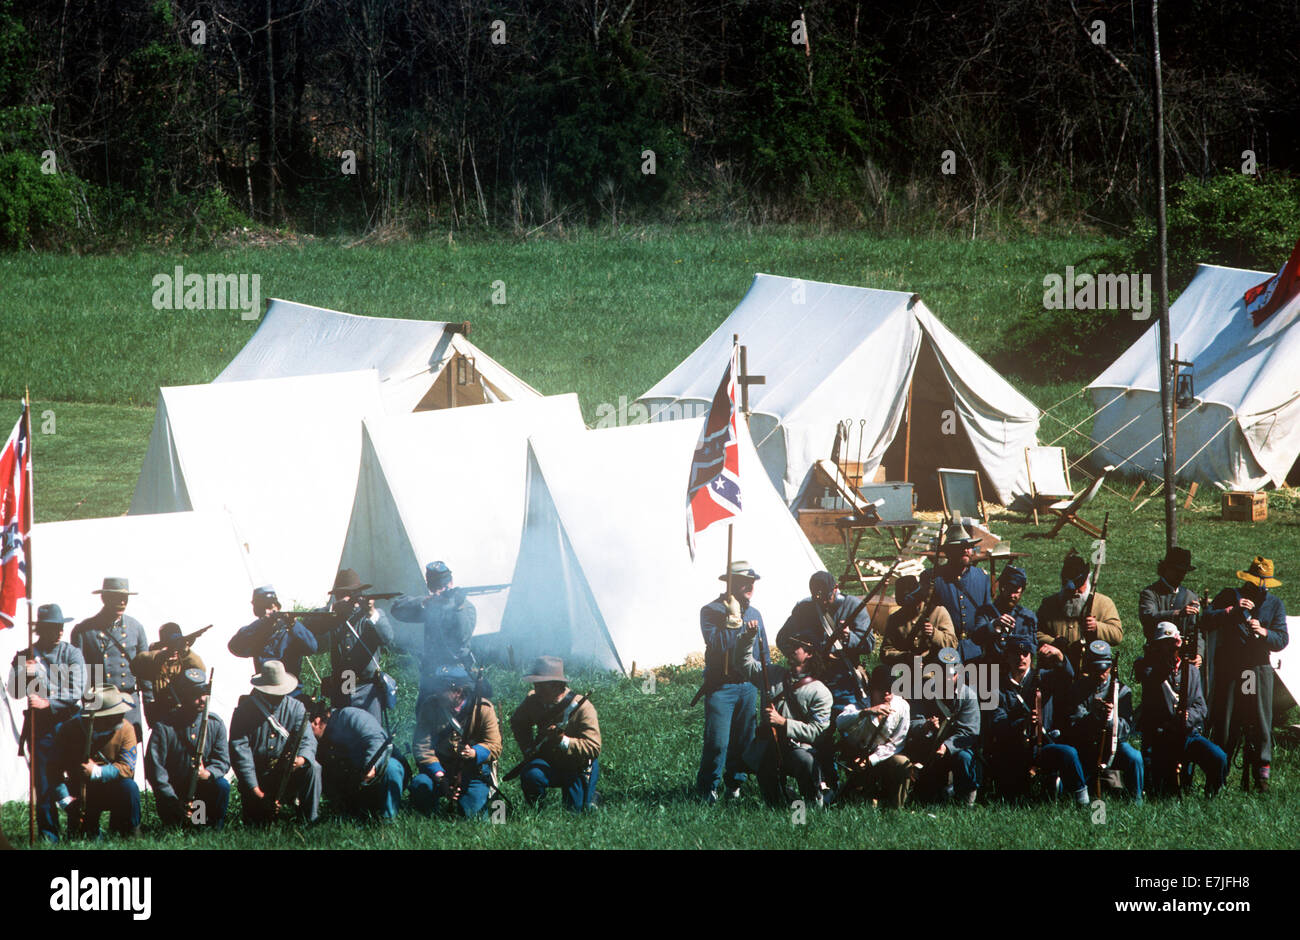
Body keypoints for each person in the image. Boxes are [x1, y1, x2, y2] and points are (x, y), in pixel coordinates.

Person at [776, 570, 874, 792]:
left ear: (835, 588)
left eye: (826, 595)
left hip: (846, 680)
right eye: (817, 596)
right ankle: (825, 782)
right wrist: (809, 656)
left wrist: (851, 638)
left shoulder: (853, 606)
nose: (822, 600)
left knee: (854, 730)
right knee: (820, 735)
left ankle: (858, 784)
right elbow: (783, 639)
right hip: (816, 682)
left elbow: (869, 644)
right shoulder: (804, 609)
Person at [1201, 557, 1289, 792]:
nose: (1259, 588)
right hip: (1231, 668)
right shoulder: (1229, 595)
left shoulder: (1275, 605)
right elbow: (1206, 619)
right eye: (1254, 583)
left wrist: (1263, 632)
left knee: (1261, 721)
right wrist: (1229, 612)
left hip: (1258, 669)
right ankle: (1219, 774)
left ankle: (1261, 776)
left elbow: (1282, 639)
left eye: (1263, 584)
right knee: (1226, 721)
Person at [5, 603, 85, 842]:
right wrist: (23, 673)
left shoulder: (73, 654)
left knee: (75, 777)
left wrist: (48, 702)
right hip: (39, 727)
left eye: (60, 626)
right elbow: (14, 691)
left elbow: (76, 690)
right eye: (53, 627)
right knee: (44, 784)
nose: (59, 631)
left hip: (70, 725)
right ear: (40, 628)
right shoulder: (25, 655)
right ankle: (49, 836)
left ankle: (78, 829)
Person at [983, 635, 1089, 806]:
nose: (1021, 658)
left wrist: (1060, 656)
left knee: (1069, 753)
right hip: (1013, 750)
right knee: (1013, 799)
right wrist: (1022, 723)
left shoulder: (1043, 678)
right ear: (1007, 657)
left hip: (1042, 745)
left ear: (1031, 657)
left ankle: (1082, 800)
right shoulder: (997, 687)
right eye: (1016, 653)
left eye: (1025, 653)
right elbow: (997, 722)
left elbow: (1068, 676)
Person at [695, 561, 767, 804]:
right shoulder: (711, 611)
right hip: (721, 686)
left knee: (744, 740)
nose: (751, 586)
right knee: (718, 741)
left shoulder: (755, 613)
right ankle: (707, 788)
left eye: (752, 582)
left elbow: (763, 652)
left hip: (747, 686)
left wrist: (765, 683)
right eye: (745, 582)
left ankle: (735, 784)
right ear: (732, 584)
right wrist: (734, 619)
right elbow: (718, 645)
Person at [739, 625, 831, 808]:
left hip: (797, 747)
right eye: (789, 646)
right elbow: (743, 663)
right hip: (768, 745)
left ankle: (812, 801)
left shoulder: (820, 692)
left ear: (809, 653)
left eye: (795, 647)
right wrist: (748, 637)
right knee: (772, 795)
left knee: (804, 761)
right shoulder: (772, 674)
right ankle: (777, 805)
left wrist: (783, 722)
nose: (789, 650)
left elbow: (817, 732)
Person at [1133, 622, 1226, 798]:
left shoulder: (1191, 671)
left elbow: (1201, 707)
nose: (1168, 648)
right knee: (1164, 792)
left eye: (1171, 643)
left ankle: (1212, 797)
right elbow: (1143, 669)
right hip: (1162, 736)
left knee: (1218, 757)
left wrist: (1188, 716)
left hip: (1188, 734)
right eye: (1164, 644)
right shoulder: (1150, 670)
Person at [228, 660, 321, 824]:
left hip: (285, 772)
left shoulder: (297, 708)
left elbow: (308, 740)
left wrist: (301, 759)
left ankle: (309, 820)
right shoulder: (244, 712)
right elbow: (241, 755)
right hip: (257, 778)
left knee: (313, 767)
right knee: (257, 825)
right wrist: (258, 793)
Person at [509, 657, 600, 811]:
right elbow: (518, 722)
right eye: (536, 685)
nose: (537, 690)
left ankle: (592, 797)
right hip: (548, 759)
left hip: (577, 764)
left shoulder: (583, 708)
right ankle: (536, 812)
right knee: (531, 775)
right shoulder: (533, 701)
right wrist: (528, 747)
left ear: (557, 685)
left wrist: (563, 741)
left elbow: (593, 748)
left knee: (575, 814)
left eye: (542, 686)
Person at [144, 666, 230, 830]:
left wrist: (207, 773)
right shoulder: (165, 726)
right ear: (183, 696)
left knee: (221, 786)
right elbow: (155, 768)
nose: (202, 699)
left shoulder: (215, 723)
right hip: (173, 795)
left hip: (200, 790)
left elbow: (222, 761)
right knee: (176, 831)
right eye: (196, 695)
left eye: (204, 693)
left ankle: (210, 828)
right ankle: (179, 823)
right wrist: (173, 800)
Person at [410, 666, 501, 818]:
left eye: (441, 689)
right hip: (440, 767)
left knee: (472, 814)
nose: (437, 693)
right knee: (420, 785)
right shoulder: (430, 706)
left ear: (458, 691)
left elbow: (494, 745)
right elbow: (422, 747)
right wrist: (441, 777)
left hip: (472, 771)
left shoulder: (483, 708)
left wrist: (474, 753)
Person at [55, 685, 141, 839]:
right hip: (80, 792)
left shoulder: (126, 729)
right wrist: (65, 800)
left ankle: (130, 832)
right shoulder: (68, 730)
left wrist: (97, 772)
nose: (121, 716)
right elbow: (54, 769)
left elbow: (127, 768)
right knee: (85, 838)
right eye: (115, 714)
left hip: (111, 787)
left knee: (130, 788)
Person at [1063, 640, 1142, 802]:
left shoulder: (1122, 690)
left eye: (1104, 668)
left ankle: (1136, 799)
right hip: (1087, 745)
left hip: (1113, 744)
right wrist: (1096, 716)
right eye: (1095, 668)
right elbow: (1075, 724)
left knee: (1134, 758)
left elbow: (1126, 728)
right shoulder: (1077, 689)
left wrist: (1111, 719)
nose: (1100, 673)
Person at [70, 577, 149, 740]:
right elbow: (78, 673)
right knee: (97, 756)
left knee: (127, 757)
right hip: (99, 704)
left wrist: (150, 705)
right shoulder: (84, 631)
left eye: (125, 597)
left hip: (128, 702)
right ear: (104, 598)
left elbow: (145, 671)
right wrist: (87, 703)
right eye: (116, 597)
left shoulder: (136, 628)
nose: (122, 601)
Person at [904, 647, 981, 805]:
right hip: (928, 747)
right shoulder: (921, 691)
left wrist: (946, 746)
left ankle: (967, 802)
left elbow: (969, 732)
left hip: (955, 749)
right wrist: (925, 726)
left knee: (965, 758)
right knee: (926, 797)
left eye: (951, 674)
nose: (947, 678)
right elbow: (912, 721)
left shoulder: (967, 696)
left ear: (958, 674)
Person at [309, 698, 405, 820]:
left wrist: (371, 766)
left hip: (381, 766)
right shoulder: (324, 738)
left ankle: (388, 820)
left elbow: (376, 740)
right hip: (357, 779)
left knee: (391, 768)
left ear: (316, 722)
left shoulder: (351, 715)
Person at [833, 664, 912, 809]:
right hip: (858, 755)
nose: (887, 694)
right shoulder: (861, 705)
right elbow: (840, 721)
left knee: (903, 763)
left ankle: (896, 808)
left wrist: (871, 760)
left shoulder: (902, 706)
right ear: (872, 690)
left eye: (890, 690)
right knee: (863, 804)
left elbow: (897, 743)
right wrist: (867, 712)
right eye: (882, 690)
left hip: (884, 755)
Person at [322, 568, 395, 725]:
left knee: (372, 734)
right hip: (342, 685)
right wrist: (334, 609)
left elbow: (388, 638)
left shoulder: (371, 616)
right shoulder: (333, 617)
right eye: (342, 595)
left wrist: (371, 611)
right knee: (343, 733)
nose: (347, 599)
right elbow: (312, 625)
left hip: (367, 686)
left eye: (349, 594)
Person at [391, 561, 477, 693]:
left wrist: (458, 608)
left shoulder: (466, 607)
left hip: (459, 672)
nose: (439, 591)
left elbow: (462, 639)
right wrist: (425, 602)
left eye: (442, 586)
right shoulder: (430, 605)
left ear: (451, 583)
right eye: (435, 586)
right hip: (432, 673)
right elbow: (397, 610)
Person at [1036, 550, 1123, 673]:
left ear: (1087, 579)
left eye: (1078, 587)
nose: (1074, 592)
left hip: (1091, 669)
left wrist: (1097, 627)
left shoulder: (1104, 603)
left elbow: (1117, 635)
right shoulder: (1049, 604)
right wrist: (1053, 642)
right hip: (1055, 669)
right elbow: (1035, 632)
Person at [228, 585, 319, 696]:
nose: (267, 611)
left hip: (291, 693)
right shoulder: (256, 632)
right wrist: (263, 622)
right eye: (262, 608)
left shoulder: (292, 629)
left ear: (277, 606)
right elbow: (235, 647)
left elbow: (312, 648)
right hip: (264, 691)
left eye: (269, 606)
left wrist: (294, 625)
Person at [918, 522, 991, 656]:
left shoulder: (982, 577)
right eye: (960, 547)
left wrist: (979, 634)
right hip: (943, 646)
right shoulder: (933, 577)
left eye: (968, 547)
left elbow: (986, 611)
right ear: (948, 552)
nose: (966, 550)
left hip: (974, 646)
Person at [131, 622, 206, 726]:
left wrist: (186, 651)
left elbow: (200, 670)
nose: (175, 649)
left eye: (178, 645)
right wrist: (159, 655)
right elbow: (135, 666)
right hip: (162, 717)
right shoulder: (156, 662)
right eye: (171, 645)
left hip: (184, 716)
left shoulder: (186, 661)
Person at [880, 575, 958, 667]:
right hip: (905, 670)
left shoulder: (938, 612)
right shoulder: (895, 619)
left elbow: (953, 644)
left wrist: (934, 633)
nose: (911, 607)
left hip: (934, 670)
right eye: (906, 605)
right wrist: (905, 657)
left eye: (915, 603)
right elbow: (886, 652)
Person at [968, 566, 1038, 668]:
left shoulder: (1027, 617)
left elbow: (1032, 647)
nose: (1012, 595)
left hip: (1016, 671)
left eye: (1016, 592)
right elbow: (976, 638)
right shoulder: (985, 612)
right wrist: (993, 625)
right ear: (1001, 588)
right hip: (992, 669)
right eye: (1009, 590)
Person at [1138, 547, 1201, 642]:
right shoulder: (1150, 593)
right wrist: (1177, 613)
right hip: (1157, 649)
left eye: (1183, 572)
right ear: (1166, 568)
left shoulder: (1190, 596)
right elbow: (1148, 617)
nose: (1180, 575)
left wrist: (1199, 654)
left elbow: (1197, 631)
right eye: (1177, 570)